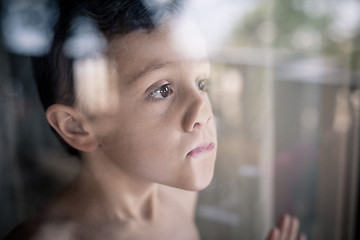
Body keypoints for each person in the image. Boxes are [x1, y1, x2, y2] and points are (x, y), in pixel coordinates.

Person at [5, 0, 306, 239]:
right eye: (162, 90)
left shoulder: (177, 197)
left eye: (202, 83)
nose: (202, 110)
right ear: (78, 126)